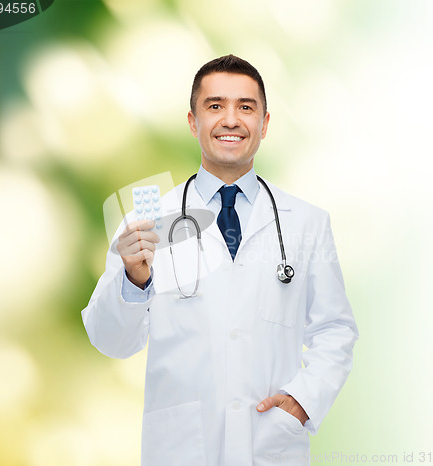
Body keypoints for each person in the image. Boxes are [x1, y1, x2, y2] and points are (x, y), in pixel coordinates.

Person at [82, 54, 358, 466]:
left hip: (270, 443)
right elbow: (111, 342)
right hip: (180, 447)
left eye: (246, 107)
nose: (231, 120)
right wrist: (133, 281)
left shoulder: (307, 222)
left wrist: (303, 400)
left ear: (264, 124)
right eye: (215, 106)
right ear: (193, 122)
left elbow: (335, 330)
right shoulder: (147, 221)